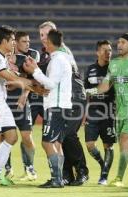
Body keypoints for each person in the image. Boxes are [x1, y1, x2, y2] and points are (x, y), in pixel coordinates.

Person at [86, 33, 128, 187]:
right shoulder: (114, 64)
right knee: (126, 148)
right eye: (118, 42)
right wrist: (89, 92)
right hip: (120, 110)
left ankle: (119, 179)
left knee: (124, 141)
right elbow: (105, 86)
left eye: (123, 42)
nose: (119, 45)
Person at [0, 25, 34, 186]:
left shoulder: (2, 57)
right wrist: (28, 83)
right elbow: (7, 76)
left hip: (0, 102)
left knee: (12, 136)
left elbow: (9, 78)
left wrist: (25, 83)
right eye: (11, 40)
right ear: (3, 41)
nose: (13, 44)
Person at [37, 21, 89, 186]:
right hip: (65, 96)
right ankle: (64, 175)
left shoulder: (62, 53)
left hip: (73, 96)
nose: (43, 39)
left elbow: (51, 77)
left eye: (46, 35)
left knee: (68, 135)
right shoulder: (51, 54)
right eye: (41, 35)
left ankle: (82, 172)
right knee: (59, 139)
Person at [23, 29, 72, 188]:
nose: (44, 43)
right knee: (57, 143)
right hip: (63, 106)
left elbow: (51, 84)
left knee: (47, 142)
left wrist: (34, 70)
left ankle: (56, 179)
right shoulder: (62, 58)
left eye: (46, 41)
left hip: (56, 107)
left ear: (50, 43)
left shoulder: (57, 60)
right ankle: (59, 178)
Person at [4, 31, 39, 181]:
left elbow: (31, 82)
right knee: (5, 137)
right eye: (24, 41)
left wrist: (24, 96)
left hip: (21, 103)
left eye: (28, 41)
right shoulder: (2, 58)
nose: (28, 44)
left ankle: (30, 167)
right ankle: (7, 169)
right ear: (16, 43)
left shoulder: (26, 60)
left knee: (27, 137)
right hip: (5, 102)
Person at [84, 40, 116, 185]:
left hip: (109, 112)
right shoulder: (89, 69)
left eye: (110, 50)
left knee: (108, 145)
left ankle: (104, 176)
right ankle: (102, 164)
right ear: (97, 52)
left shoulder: (114, 69)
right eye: (104, 50)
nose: (108, 53)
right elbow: (84, 91)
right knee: (90, 145)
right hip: (93, 112)